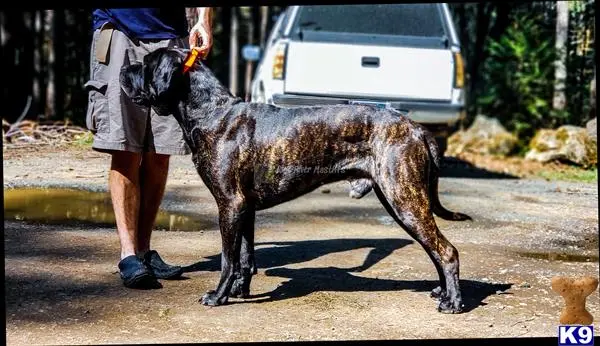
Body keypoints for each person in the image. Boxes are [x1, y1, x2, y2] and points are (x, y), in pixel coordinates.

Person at [85, 8, 214, 289]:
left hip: (171, 37)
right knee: (125, 147)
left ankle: (144, 250)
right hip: (120, 32)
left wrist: (203, 19)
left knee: (160, 152)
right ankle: (128, 254)